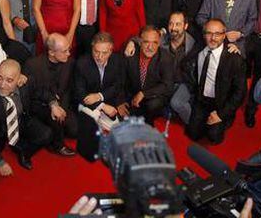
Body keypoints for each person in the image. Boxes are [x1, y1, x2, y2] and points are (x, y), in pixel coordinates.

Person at [0, 59, 52, 175]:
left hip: (20, 122)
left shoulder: (26, 83)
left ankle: (24, 152)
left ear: (19, 80)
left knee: (46, 134)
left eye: (9, 80)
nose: (2, 85)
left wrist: (53, 104)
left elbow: (41, 92)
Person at [185, 19, 246, 144]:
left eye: (217, 34)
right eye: (209, 33)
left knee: (214, 137)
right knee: (192, 134)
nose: (213, 38)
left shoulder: (234, 59)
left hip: (221, 104)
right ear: (204, 35)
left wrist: (221, 115)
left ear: (224, 36)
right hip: (202, 100)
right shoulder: (199, 48)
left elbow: (240, 93)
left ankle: (224, 122)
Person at [24, 33, 77, 156]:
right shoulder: (32, 65)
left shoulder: (70, 62)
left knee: (74, 131)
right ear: (52, 52)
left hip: (62, 102)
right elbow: (32, 92)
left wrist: (62, 106)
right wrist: (52, 104)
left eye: (68, 50)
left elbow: (69, 89)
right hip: (39, 104)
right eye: (64, 51)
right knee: (55, 119)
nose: (68, 54)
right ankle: (58, 146)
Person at [75, 32, 123, 161]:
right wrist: (101, 105)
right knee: (93, 117)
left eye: (104, 53)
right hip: (86, 104)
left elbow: (117, 86)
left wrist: (100, 96)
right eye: (96, 52)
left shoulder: (117, 60)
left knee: (117, 129)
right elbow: (80, 94)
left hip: (104, 100)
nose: (100, 56)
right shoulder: (82, 63)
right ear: (92, 48)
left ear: (111, 50)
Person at [118, 26, 174, 125]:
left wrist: (144, 93)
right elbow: (121, 79)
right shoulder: (130, 54)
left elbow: (167, 85)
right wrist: (120, 102)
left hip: (154, 96)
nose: (150, 47)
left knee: (152, 106)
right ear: (139, 42)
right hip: (133, 95)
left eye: (155, 43)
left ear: (159, 43)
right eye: (146, 42)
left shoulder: (166, 58)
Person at [161, 12, 199, 124]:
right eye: (171, 24)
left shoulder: (194, 45)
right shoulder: (162, 40)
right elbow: (145, 40)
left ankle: (193, 124)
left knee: (176, 103)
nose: (173, 28)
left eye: (178, 24)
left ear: (185, 26)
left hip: (185, 82)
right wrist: (132, 42)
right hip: (167, 82)